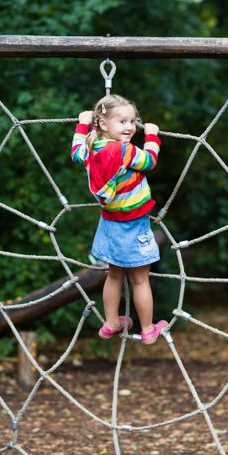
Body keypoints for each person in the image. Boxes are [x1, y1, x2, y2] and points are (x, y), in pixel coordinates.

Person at [71, 94, 167, 345]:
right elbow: (150, 161)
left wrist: (82, 124)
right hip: (134, 225)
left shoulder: (92, 148)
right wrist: (152, 136)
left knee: (114, 276)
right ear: (104, 124)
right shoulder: (125, 150)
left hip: (109, 224)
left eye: (132, 121)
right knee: (140, 279)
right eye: (122, 121)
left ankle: (111, 322)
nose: (130, 127)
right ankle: (148, 329)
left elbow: (76, 152)